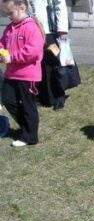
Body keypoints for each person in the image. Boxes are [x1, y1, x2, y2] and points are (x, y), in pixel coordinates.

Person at [0, 0, 44, 147]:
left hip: (27, 75)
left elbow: (33, 51)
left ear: (22, 8)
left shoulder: (31, 27)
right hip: (11, 74)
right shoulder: (10, 28)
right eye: (6, 14)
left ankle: (30, 136)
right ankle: (28, 126)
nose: (8, 17)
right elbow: (2, 43)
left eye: (10, 13)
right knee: (7, 100)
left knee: (27, 105)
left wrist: (11, 57)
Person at [31, 0, 69, 110]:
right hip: (31, 29)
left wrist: (62, 29)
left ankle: (58, 96)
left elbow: (59, 4)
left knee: (53, 64)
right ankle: (40, 96)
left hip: (50, 31)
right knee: (36, 64)